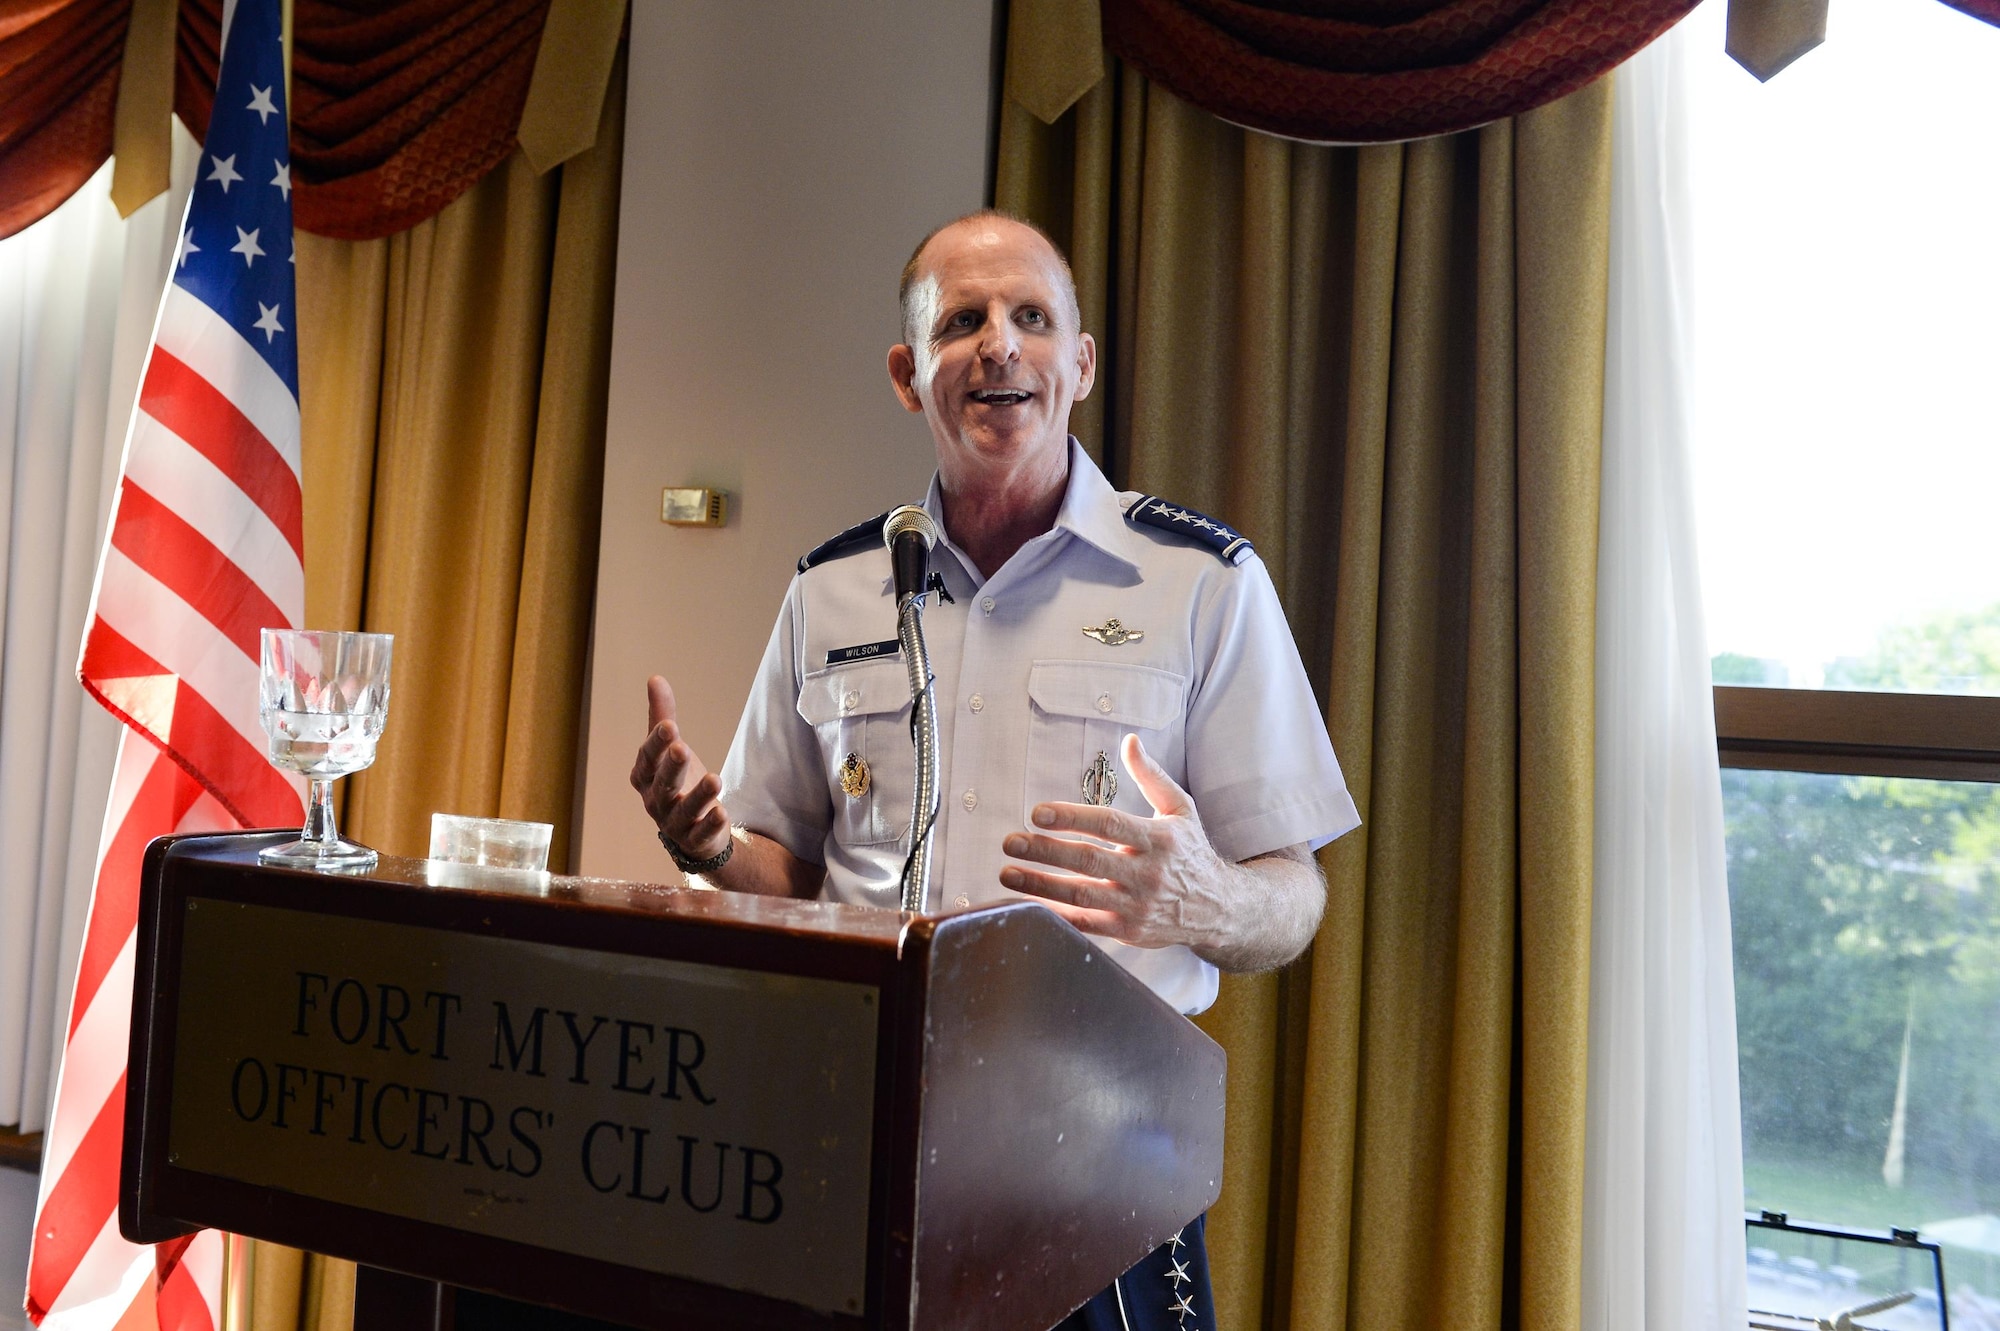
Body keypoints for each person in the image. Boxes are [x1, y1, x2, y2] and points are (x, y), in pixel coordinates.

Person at [631, 210, 1358, 1331]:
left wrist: (1206, 895)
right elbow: (784, 874)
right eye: (960, 321)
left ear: (1080, 361)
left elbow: (1293, 894)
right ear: (906, 373)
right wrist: (710, 846)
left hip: (1101, 1173)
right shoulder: (829, 589)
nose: (997, 346)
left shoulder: (1200, 583)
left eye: (1030, 317)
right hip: (850, 1141)